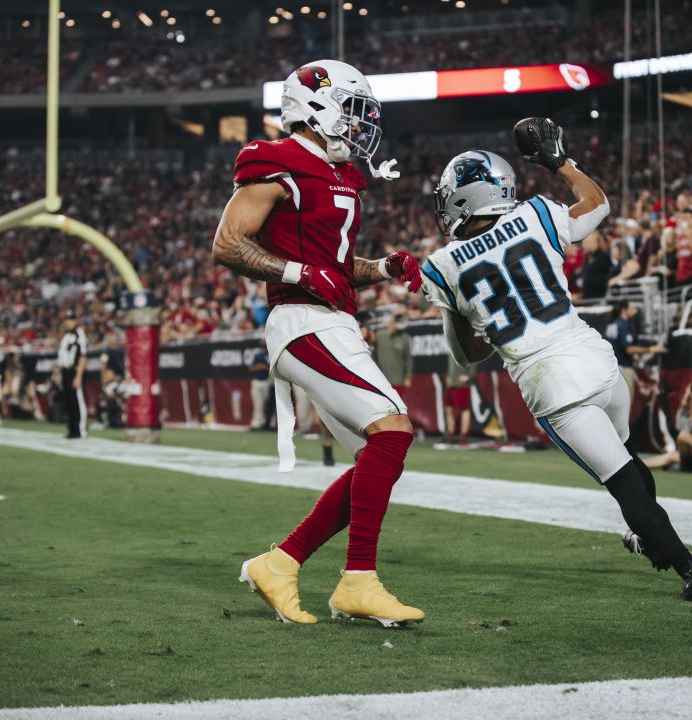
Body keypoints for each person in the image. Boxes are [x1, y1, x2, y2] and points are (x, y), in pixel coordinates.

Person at [419, 120, 692, 602]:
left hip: (552, 384)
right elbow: (598, 204)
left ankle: (691, 568)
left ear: (462, 198)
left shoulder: (442, 265)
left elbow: (466, 353)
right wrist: (561, 163)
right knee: (631, 467)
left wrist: (458, 309)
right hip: (597, 361)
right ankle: (653, 540)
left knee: (624, 485)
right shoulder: (536, 214)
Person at [211, 60, 425, 627]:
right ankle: (359, 580)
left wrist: (381, 266)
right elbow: (230, 244)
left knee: (378, 454)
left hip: (330, 319)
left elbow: (334, 266)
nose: (359, 126)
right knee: (393, 429)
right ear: (316, 106)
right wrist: (298, 274)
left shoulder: (342, 174)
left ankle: (279, 564)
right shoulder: (276, 161)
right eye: (353, 112)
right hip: (301, 320)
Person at [604, 300, 666, 401]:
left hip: (610, 369)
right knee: (625, 403)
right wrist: (652, 349)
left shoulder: (613, 323)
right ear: (624, 310)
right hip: (623, 369)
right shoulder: (622, 325)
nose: (635, 311)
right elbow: (629, 349)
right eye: (633, 308)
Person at [56, 312, 88, 439]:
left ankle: (80, 429)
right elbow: (62, 356)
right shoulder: (66, 336)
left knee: (77, 401)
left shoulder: (79, 334)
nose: (67, 322)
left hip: (74, 370)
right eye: (66, 319)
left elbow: (83, 356)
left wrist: (79, 376)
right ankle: (72, 429)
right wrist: (59, 372)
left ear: (76, 321)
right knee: (68, 402)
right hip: (66, 371)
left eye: (70, 319)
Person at [373, 312, 414, 400]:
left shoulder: (404, 338)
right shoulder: (380, 336)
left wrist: (408, 376)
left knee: (397, 404)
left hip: (397, 379)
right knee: (384, 404)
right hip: (381, 379)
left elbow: (408, 359)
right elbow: (372, 353)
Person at [248, 345, 272, 431]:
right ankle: (256, 424)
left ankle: (270, 424)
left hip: (267, 382)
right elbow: (251, 368)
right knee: (258, 405)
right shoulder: (257, 355)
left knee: (269, 406)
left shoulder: (271, 353)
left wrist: (265, 367)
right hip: (257, 381)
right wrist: (259, 367)